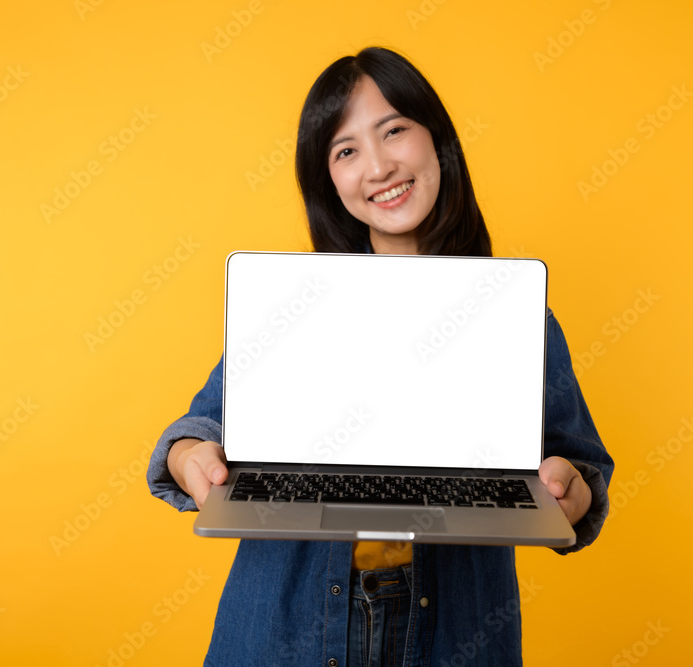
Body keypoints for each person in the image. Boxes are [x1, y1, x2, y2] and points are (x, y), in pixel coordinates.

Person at [147, 46, 613, 666]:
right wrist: (189, 457)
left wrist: (571, 491)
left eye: (394, 130)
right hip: (284, 635)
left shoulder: (515, 313)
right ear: (329, 183)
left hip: (457, 637)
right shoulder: (296, 306)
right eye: (346, 150)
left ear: (436, 141)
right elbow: (201, 426)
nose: (378, 165)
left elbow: (578, 465)